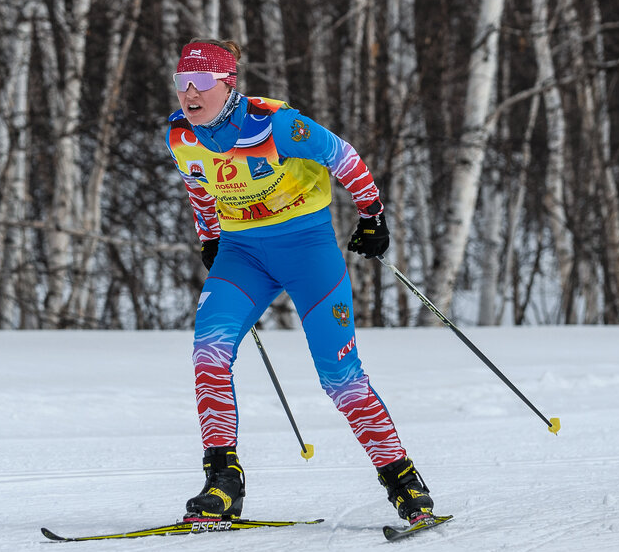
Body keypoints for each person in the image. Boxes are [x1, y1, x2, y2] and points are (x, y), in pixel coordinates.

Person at [165, 39, 433, 524]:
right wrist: (210, 238)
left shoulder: (276, 125)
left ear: (228, 86)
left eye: (201, 82)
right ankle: (222, 482)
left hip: (307, 250)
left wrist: (372, 214)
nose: (190, 93)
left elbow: (344, 157)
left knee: (338, 376)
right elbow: (199, 187)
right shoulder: (181, 137)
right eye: (182, 82)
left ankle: (403, 480)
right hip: (242, 253)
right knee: (209, 349)